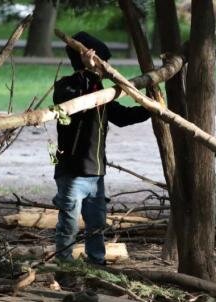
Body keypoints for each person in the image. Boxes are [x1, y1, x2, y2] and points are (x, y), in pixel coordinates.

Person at [52, 31, 151, 264]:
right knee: (68, 225)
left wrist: (150, 106)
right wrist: (89, 71)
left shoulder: (101, 93)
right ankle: (64, 267)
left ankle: (96, 264)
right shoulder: (66, 86)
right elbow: (74, 104)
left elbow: (124, 116)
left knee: (96, 224)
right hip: (72, 171)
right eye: (102, 63)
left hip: (96, 173)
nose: (105, 69)